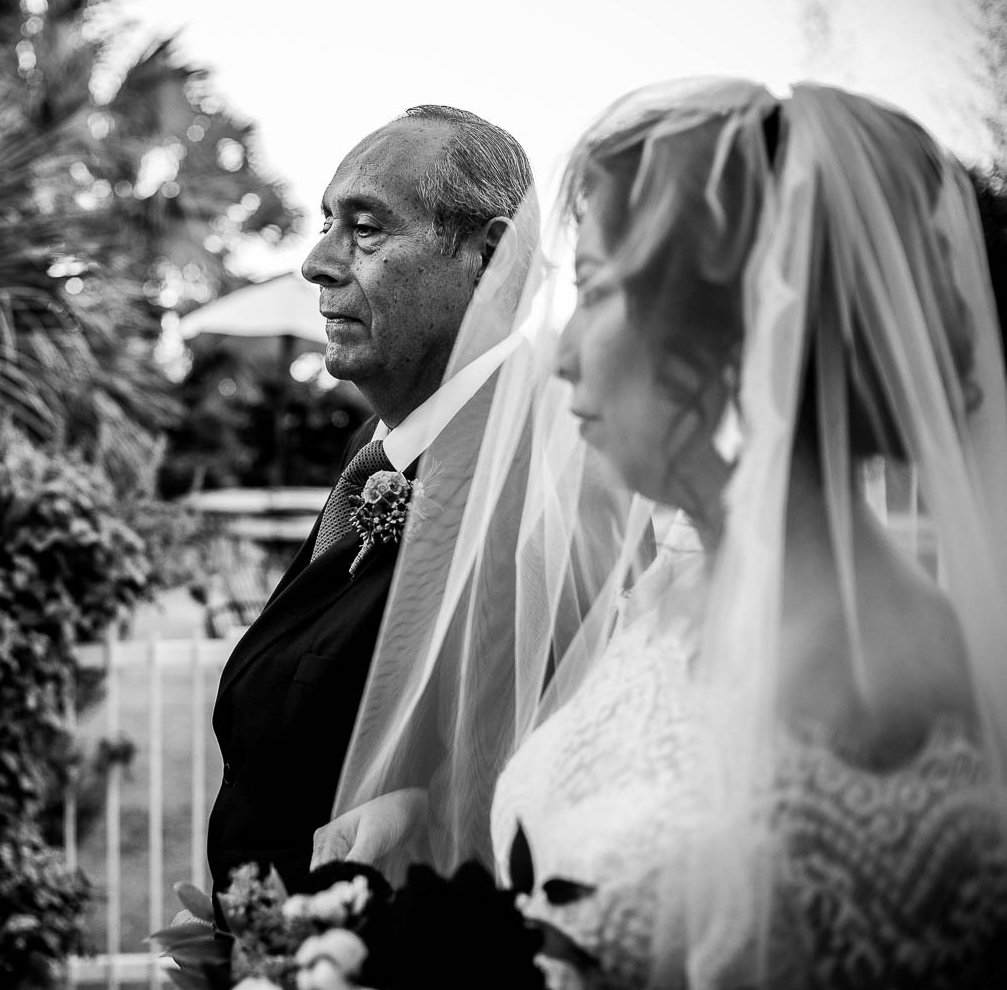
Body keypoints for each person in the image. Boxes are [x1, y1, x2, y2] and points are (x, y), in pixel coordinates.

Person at [319, 78, 1007, 987]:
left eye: (598, 293)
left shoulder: (862, 696)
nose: (561, 353)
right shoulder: (684, 587)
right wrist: (428, 851)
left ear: (737, 338)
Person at [205, 105, 544, 894]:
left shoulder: (535, 493)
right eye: (327, 221)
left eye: (365, 229)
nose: (317, 262)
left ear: (489, 258)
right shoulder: (379, 459)